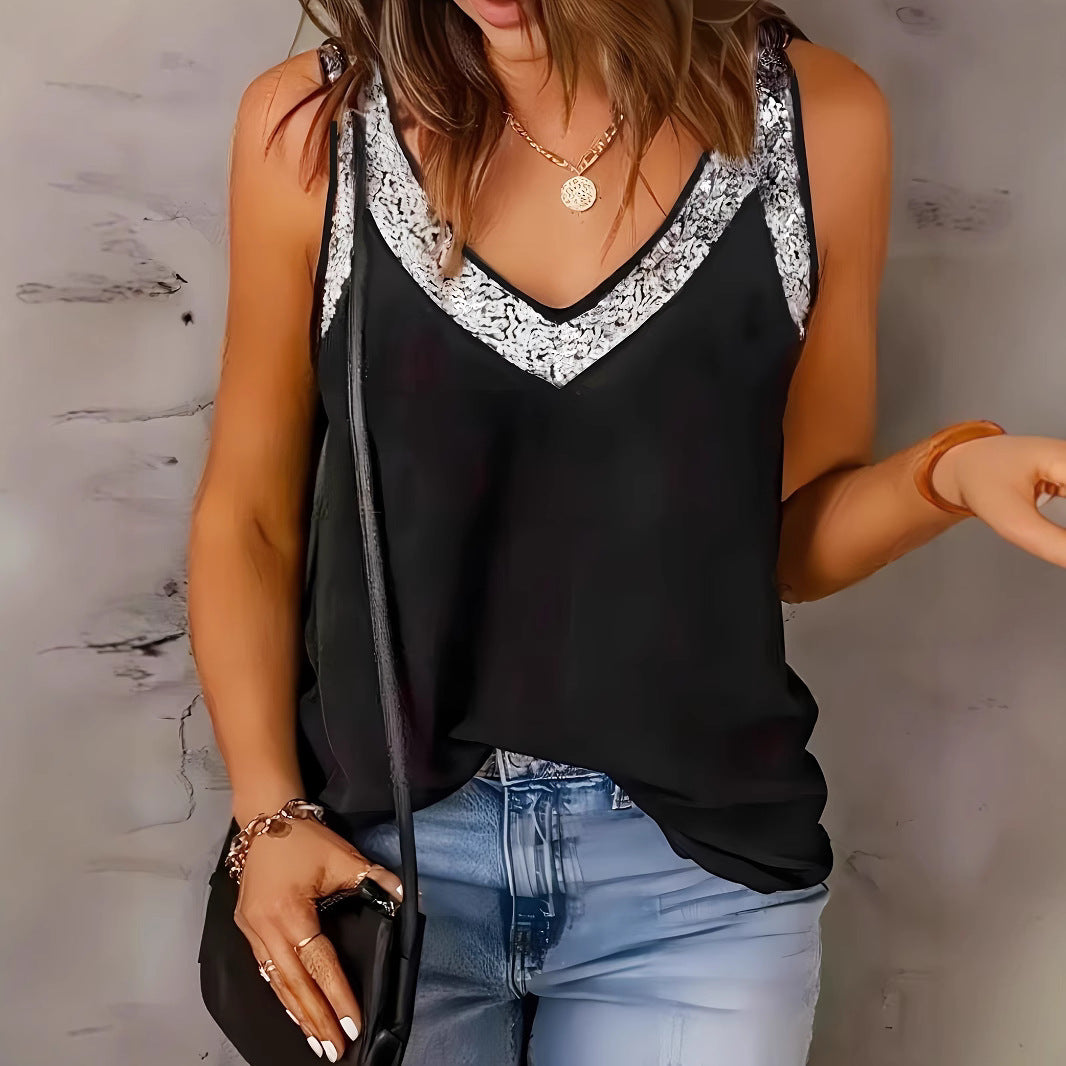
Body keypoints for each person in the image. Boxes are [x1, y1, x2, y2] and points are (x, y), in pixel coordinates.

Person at [186, 2, 1066, 1063]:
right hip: (380, 867)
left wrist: (950, 476)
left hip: (695, 886)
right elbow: (249, 517)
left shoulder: (821, 121)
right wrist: (268, 815)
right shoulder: (313, 128)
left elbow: (785, 541)